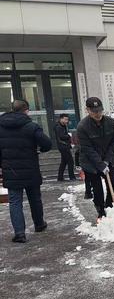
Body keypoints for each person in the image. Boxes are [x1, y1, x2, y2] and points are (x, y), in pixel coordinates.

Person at [0, 99, 52, 243]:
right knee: (34, 198)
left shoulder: (1, 126)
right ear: (26, 110)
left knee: (15, 202)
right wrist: (40, 149)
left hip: (11, 171)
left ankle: (19, 233)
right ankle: (39, 224)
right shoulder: (31, 126)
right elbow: (47, 144)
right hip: (30, 169)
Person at [77, 97, 114, 219]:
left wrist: (106, 161)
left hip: (108, 158)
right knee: (98, 190)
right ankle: (100, 210)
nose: (98, 114)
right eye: (94, 111)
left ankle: (109, 205)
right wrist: (101, 165)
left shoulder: (110, 123)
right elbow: (88, 149)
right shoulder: (83, 126)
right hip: (90, 162)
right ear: (87, 110)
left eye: (100, 110)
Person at [54, 113, 76, 181]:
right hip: (63, 146)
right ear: (61, 119)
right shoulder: (58, 127)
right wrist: (69, 135)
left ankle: (60, 177)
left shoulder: (64, 126)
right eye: (65, 119)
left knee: (63, 162)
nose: (66, 121)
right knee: (70, 161)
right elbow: (61, 136)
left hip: (65, 145)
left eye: (67, 119)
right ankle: (72, 177)